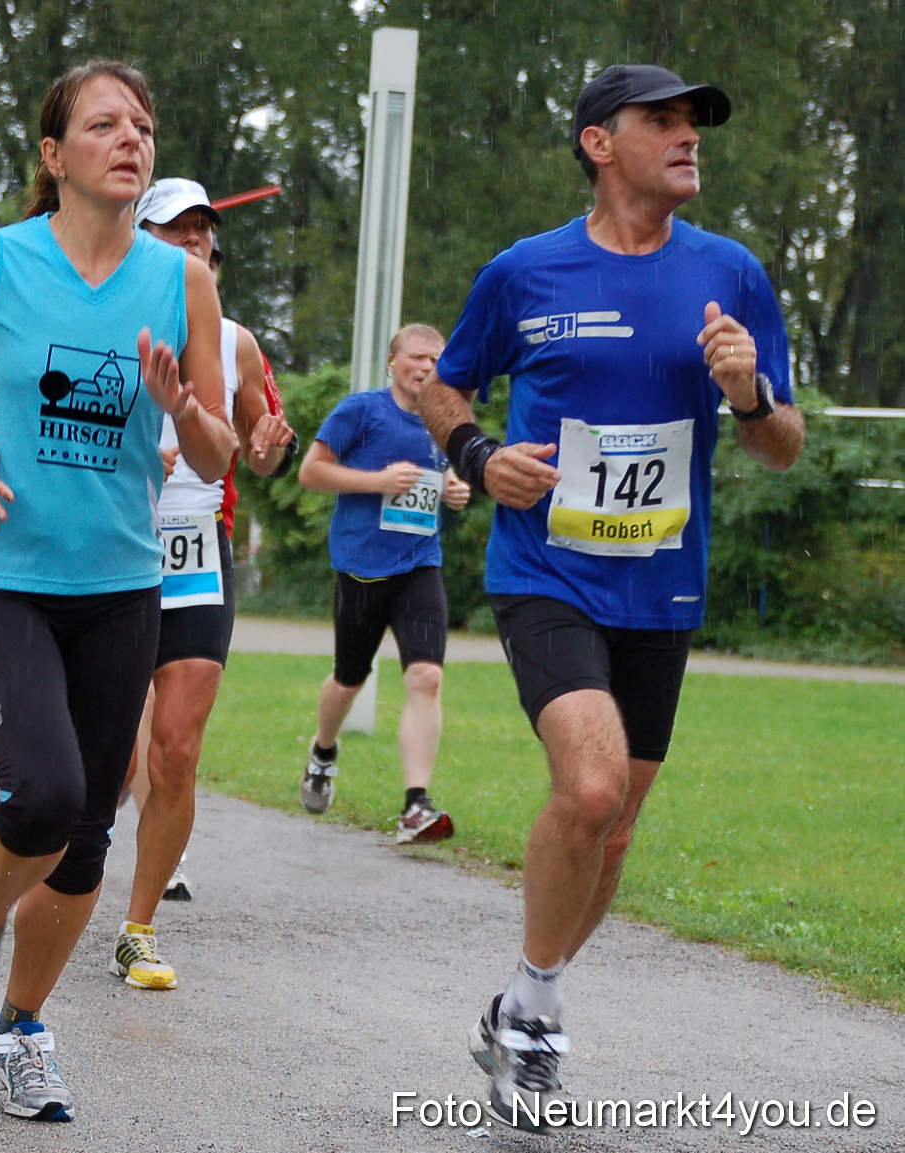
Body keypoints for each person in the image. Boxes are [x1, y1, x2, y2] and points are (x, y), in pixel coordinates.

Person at [416, 65, 804, 1130]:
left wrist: (749, 394)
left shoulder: (732, 274)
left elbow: (783, 445)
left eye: (696, 124)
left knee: (617, 828)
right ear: (600, 142)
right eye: (663, 121)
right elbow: (442, 382)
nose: (690, 138)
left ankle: (518, 1000)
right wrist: (478, 451)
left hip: (663, 588)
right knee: (588, 793)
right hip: (545, 573)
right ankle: (539, 1026)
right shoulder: (524, 273)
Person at [0, 61, 235, 1121]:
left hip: (124, 585)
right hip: (3, 574)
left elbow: (219, 457)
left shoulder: (183, 285)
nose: (131, 138)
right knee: (38, 793)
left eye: (143, 123)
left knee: (86, 828)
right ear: (55, 156)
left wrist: (181, 409)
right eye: (103, 124)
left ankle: (25, 1031)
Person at [110, 177, 295, 991]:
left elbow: (260, 446)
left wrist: (265, 451)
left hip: (195, 543)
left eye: (201, 234)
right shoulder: (104, 315)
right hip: (109, 540)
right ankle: (59, 864)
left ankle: (139, 928)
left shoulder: (238, 342)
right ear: (139, 237)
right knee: (106, 759)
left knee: (177, 747)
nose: (190, 245)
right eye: (171, 231)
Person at [297, 323, 470, 844]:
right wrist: (377, 481)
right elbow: (311, 471)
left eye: (435, 360)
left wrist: (456, 489)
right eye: (416, 357)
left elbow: (449, 478)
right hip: (361, 566)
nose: (425, 367)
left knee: (426, 678)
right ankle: (324, 750)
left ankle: (416, 804)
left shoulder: (450, 418)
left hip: (420, 564)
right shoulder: (362, 410)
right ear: (392, 362)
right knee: (349, 679)